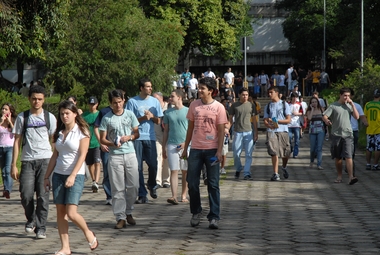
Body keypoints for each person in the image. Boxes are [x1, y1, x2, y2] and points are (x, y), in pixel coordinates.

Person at [43, 100, 98, 255]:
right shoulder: (59, 133)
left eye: (67, 113)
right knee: (60, 212)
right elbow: (55, 155)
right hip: (58, 175)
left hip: (76, 175)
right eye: (62, 114)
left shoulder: (82, 131)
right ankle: (65, 247)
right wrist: (47, 177)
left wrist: (73, 175)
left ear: (75, 113)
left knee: (71, 213)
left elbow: (82, 155)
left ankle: (88, 233)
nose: (64, 116)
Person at [11, 85, 57, 239]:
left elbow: (54, 141)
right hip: (27, 161)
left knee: (43, 196)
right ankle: (31, 219)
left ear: (44, 100)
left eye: (39, 99)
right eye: (34, 99)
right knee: (26, 194)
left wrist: (55, 162)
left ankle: (41, 227)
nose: (36, 102)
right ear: (29, 99)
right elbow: (17, 141)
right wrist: (13, 164)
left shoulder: (50, 118)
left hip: (45, 160)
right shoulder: (22, 118)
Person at [182, 77, 228, 229]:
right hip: (195, 149)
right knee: (192, 183)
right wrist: (185, 147)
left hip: (212, 151)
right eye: (199, 87)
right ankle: (196, 211)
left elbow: (221, 131)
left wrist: (219, 150)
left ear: (210, 90)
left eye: (202, 88)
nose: (199, 90)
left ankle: (214, 216)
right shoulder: (194, 105)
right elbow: (190, 128)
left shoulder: (219, 107)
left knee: (213, 184)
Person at [99, 89, 140, 229]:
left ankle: (128, 211)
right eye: (115, 103)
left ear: (124, 101)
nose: (118, 105)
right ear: (110, 103)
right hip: (115, 155)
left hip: (130, 153)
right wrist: (112, 143)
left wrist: (130, 137)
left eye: (120, 102)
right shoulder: (107, 118)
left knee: (134, 185)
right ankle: (120, 217)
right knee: (117, 188)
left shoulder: (130, 115)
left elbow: (137, 133)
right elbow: (103, 139)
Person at [126, 78, 164, 204]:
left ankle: (152, 185)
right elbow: (129, 122)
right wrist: (143, 118)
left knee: (153, 165)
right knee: (138, 168)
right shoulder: (132, 102)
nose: (150, 88)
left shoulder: (155, 102)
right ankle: (142, 194)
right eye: (147, 86)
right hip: (137, 137)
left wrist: (152, 117)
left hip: (150, 137)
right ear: (141, 88)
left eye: (151, 86)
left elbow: (159, 121)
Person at [322, 88, 359, 184]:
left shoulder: (349, 106)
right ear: (340, 95)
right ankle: (339, 176)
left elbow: (357, 117)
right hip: (336, 134)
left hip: (348, 134)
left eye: (348, 95)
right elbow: (325, 116)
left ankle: (351, 177)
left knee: (348, 156)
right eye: (345, 95)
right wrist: (327, 120)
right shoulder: (334, 106)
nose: (347, 97)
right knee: (338, 157)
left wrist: (352, 104)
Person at [162, 89, 189, 204]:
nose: (170, 98)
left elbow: (192, 130)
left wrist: (186, 143)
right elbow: (166, 131)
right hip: (172, 145)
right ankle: (174, 196)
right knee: (174, 170)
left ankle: (184, 195)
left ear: (179, 97)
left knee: (185, 171)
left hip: (185, 145)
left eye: (172, 96)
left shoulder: (188, 111)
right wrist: (164, 146)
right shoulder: (167, 113)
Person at [263, 86, 291, 181]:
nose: (269, 94)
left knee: (285, 153)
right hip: (272, 131)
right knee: (274, 151)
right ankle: (275, 173)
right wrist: (268, 124)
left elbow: (288, 120)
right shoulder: (268, 106)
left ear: (276, 93)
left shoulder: (284, 104)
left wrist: (277, 121)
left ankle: (284, 167)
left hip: (283, 130)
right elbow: (265, 120)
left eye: (271, 92)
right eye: (269, 92)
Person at [229, 88, 258, 180]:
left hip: (249, 131)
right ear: (239, 95)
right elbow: (230, 119)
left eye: (246, 95)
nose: (245, 97)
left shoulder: (251, 105)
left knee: (248, 154)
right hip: (237, 132)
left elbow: (254, 120)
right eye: (243, 95)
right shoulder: (234, 105)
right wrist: (227, 129)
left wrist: (256, 132)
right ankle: (238, 168)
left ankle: (247, 173)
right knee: (236, 154)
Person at [94, 101, 113, 205]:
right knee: (107, 171)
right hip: (106, 147)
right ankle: (109, 195)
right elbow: (96, 128)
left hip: (120, 147)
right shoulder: (104, 111)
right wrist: (101, 142)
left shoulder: (125, 112)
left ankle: (120, 195)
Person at [82, 96, 101, 193]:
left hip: (97, 142)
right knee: (90, 164)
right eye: (90, 104)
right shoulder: (84, 116)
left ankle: (96, 182)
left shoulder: (100, 114)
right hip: (87, 143)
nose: (92, 106)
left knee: (97, 162)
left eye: (94, 104)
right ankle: (93, 180)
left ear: (97, 104)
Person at [153, 92, 170, 189]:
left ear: (161, 98)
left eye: (156, 99)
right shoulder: (152, 109)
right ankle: (157, 180)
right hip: (157, 137)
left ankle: (166, 180)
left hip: (168, 137)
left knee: (167, 158)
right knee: (157, 157)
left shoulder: (169, 107)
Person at [0, 103, 16, 199]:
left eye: (6, 109)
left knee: (7, 170)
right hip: (1, 147)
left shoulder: (13, 122)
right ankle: (6, 189)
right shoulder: (1, 122)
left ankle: (8, 190)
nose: (4, 111)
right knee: (3, 171)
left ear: (10, 111)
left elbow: (16, 133)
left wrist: (10, 122)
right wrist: (1, 122)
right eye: (3, 109)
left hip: (10, 147)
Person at [306, 97, 325, 169]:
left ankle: (319, 164)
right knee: (313, 148)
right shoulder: (309, 111)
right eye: (312, 102)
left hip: (321, 130)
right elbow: (309, 118)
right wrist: (312, 109)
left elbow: (324, 120)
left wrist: (327, 132)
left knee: (319, 148)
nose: (314, 103)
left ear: (318, 102)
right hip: (312, 131)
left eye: (315, 102)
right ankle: (311, 161)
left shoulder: (321, 110)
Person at [364, 88, 380, 170]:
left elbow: (364, 116)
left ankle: (368, 164)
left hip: (369, 129)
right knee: (378, 148)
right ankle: (375, 164)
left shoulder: (367, 104)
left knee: (369, 148)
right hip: (378, 129)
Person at [288, 93, 302, 158]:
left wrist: (297, 113)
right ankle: (290, 148)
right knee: (289, 138)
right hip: (289, 125)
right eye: (293, 97)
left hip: (296, 124)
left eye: (296, 97)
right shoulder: (288, 104)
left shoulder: (299, 104)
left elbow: (302, 112)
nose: (294, 98)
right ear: (291, 97)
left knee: (297, 140)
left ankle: (295, 153)